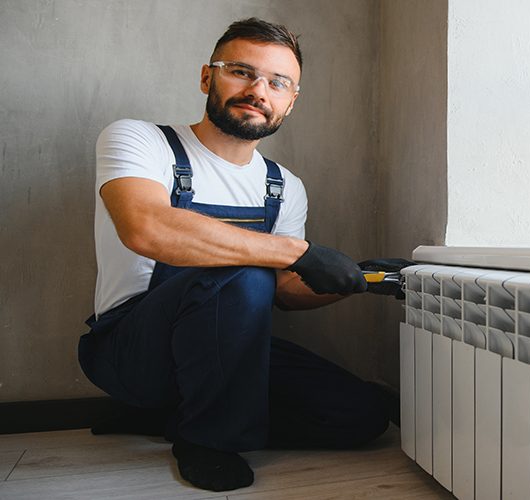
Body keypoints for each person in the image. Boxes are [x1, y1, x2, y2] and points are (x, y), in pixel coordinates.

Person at [77, 18, 410, 492]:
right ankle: (206, 440)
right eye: (241, 72)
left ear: (290, 102)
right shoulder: (140, 140)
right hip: (132, 350)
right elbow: (145, 226)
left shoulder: (284, 186)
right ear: (206, 77)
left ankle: (172, 416)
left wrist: (355, 278)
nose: (258, 91)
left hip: (232, 349)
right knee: (246, 274)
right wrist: (298, 252)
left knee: (361, 415)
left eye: (278, 82)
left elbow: (285, 291)